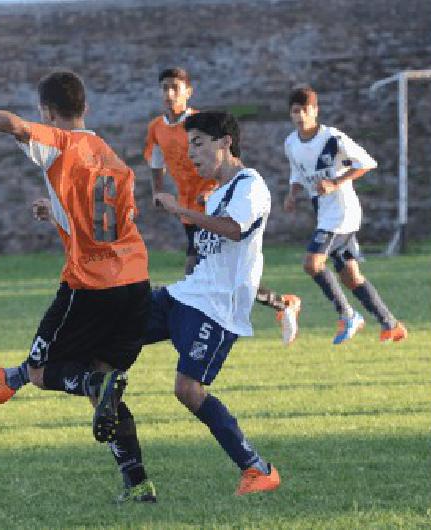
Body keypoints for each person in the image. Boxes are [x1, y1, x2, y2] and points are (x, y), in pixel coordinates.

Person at [0, 70, 157, 503]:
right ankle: (138, 485)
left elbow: (12, 123)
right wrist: (58, 214)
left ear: (47, 111)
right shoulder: (111, 156)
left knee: (50, 373)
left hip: (90, 284)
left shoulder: (59, 142)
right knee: (99, 377)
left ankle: (19, 380)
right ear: (87, 108)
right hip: (135, 283)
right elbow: (108, 225)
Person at [149, 110, 281, 496]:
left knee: (188, 391)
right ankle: (25, 375)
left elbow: (235, 231)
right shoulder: (217, 193)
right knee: (119, 324)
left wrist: (181, 211)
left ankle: (258, 469)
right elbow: (212, 251)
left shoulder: (250, 186)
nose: (191, 153)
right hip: (188, 295)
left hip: (217, 310)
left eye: (198, 143)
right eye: (189, 144)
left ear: (226, 142)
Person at [144, 67, 302, 345]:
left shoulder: (200, 125)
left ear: (188, 92)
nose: (169, 94)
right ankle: (281, 304)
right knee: (210, 271)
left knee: (205, 269)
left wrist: (214, 195)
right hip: (188, 210)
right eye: (164, 88)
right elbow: (156, 161)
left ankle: (201, 331)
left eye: (175, 88)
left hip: (210, 207)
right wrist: (158, 191)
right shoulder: (156, 128)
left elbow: (224, 164)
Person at [282, 85, 408, 344]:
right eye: (295, 111)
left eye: (305, 110)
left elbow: (367, 163)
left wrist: (335, 182)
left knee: (312, 264)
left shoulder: (332, 138)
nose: (300, 115)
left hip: (342, 213)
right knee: (351, 277)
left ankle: (348, 315)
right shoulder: (291, 143)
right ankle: (391, 324)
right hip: (325, 214)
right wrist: (293, 193)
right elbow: (298, 173)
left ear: (315, 111)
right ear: (291, 114)